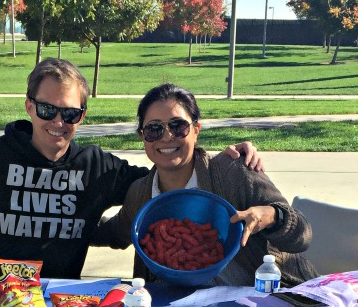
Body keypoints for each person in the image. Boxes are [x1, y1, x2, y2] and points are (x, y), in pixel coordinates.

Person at [0, 58, 263, 279]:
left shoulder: (97, 168)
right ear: (30, 107)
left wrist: (220, 159)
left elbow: (167, 177)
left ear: (81, 115)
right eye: (48, 110)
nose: (58, 122)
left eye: (70, 113)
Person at [98, 84, 319, 287]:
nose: (166, 137)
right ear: (142, 137)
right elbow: (114, 233)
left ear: (196, 130)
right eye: (154, 129)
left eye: (178, 126)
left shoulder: (233, 172)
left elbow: (303, 234)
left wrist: (271, 216)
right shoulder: (140, 193)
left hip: (259, 304)